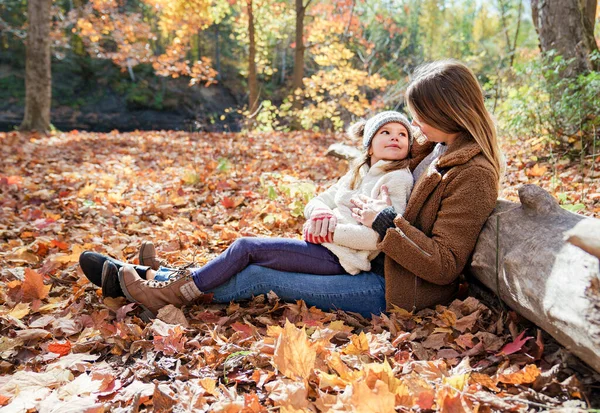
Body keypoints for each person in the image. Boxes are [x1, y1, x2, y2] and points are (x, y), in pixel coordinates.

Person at [79, 59, 502, 319]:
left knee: (259, 276)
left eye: (419, 116)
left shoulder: (474, 173)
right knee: (252, 253)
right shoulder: (435, 146)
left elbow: (445, 264)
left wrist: (385, 222)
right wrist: (327, 208)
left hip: (391, 288)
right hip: (358, 256)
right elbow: (367, 170)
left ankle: (151, 285)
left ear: (448, 112)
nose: (413, 127)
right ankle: (154, 280)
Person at [80, 111, 416, 318]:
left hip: (340, 258)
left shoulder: (396, 178)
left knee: (246, 248)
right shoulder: (357, 173)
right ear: (369, 145)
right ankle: (161, 277)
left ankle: (167, 291)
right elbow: (317, 199)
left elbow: (382, 237)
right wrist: (317, 216)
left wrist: (327, 232)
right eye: (386, 132)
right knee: (248, 259)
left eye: (402, 134)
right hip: (325, 247)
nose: (395, 138)